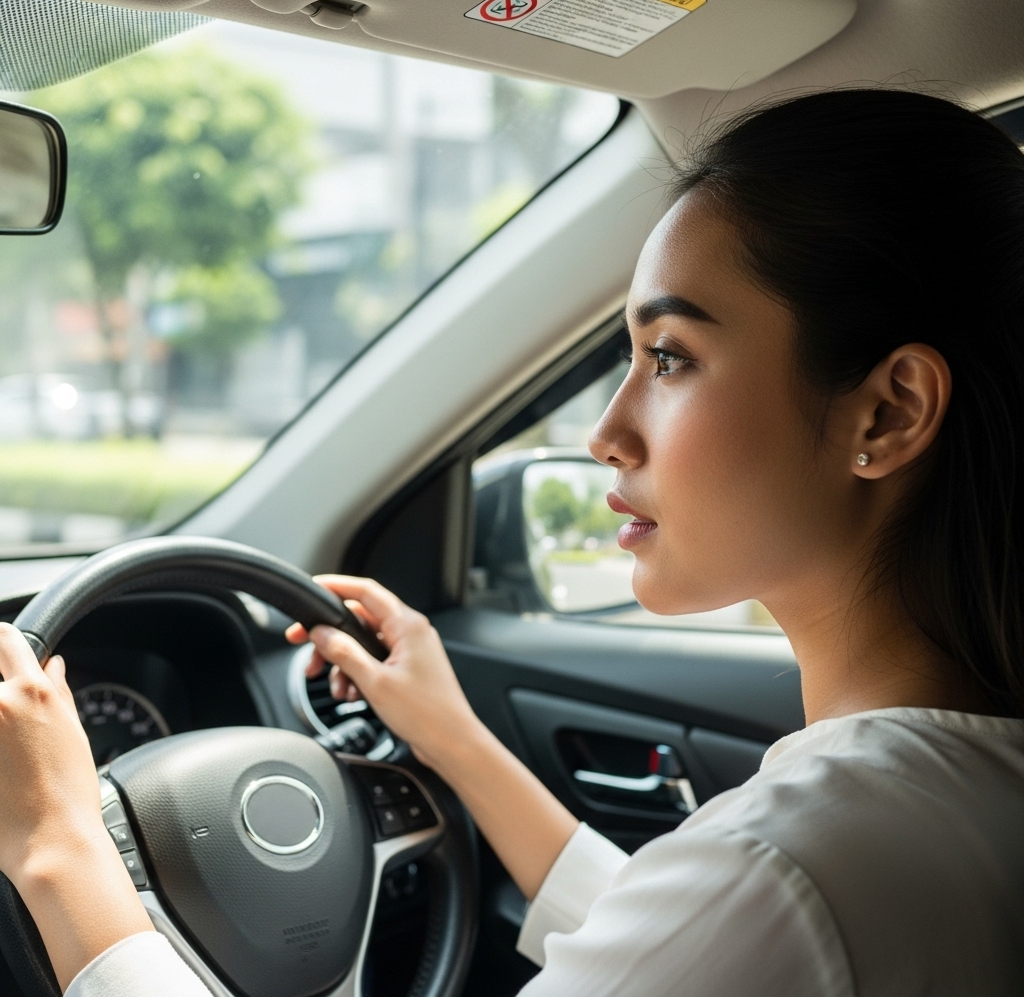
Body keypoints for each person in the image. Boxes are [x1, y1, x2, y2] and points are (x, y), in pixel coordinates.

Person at [1, 88, 1023, 996]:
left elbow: (733, 918)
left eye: (668, 357)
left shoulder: (787, 869)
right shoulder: (935, 814)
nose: (606, 430)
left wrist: (58, 845)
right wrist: (452, 737)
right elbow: (684, 942)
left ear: (887, 414)